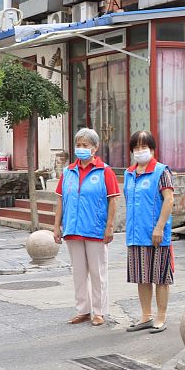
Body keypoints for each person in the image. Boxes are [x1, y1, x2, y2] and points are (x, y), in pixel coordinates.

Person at [52, 128, 120, 326]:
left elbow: (113, 200)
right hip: (73, 228)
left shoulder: (104, 171)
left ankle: (98, 311)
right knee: (78, 273)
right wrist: (56, 226)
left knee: (98, 273)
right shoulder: (68, 172)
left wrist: (109, 227)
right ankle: (82, 310)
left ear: (95, 148)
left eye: (85, 145)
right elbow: (61, 200)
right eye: (78, 145)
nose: (81, 149)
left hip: (95, 229)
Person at [123, 130, 175, 335]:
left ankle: (161, 317)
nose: (140, 151)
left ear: (152, 149)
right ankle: (146, 316)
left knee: (161, 277)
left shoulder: (161, 171)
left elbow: (169, 200)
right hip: (136, 234)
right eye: (136, 147)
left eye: (144, 147)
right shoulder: (129, 173)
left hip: (156, 234)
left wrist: (160, 226)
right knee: (141, 276)